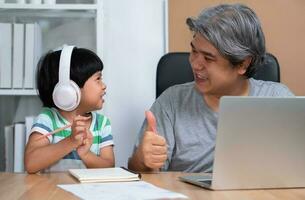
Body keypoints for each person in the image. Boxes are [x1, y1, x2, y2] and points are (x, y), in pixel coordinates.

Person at [128, 3, 294, 173]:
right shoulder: (171, 102)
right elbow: (140, 175)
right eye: (194, 52)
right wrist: (142, 161)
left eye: (208, 58)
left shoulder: (279, 99)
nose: (195, 64)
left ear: (243, 64)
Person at [25, 46, 114, 173]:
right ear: (69, 89)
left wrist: (86, 155)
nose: (104, 86)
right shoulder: (48, 119)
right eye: (98, 79)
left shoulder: (103, 123)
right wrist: (71, 141)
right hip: (52, 193)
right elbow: (31, 163)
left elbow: (109, 167)